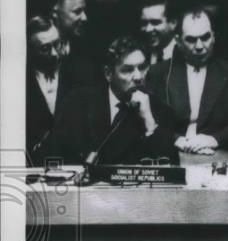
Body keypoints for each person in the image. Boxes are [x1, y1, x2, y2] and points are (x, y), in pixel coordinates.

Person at [146, 8, 228, 156]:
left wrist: (214, 139)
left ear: (214, 37)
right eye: (191, 40)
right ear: (178, 41)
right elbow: (147, 119)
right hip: (170, 154)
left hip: (216, 155)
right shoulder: (158, 73)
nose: (199, 46)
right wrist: (174, 139)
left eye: (205, 37)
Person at [49, 36, 176, 165]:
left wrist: (149, 122)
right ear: (108, 73)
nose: (138, 77)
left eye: (142, 67)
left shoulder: (160, 110)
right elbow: (58, 154)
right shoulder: (77, 103)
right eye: (127, 70)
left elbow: (170, 165)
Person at [25, 16, 92, 165]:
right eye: (45, 48)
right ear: (30, 50)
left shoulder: (82, 74)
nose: (55, 53)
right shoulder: (20, 81)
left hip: (75, 166)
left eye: (57, 44)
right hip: (34, 167)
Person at [139, 0, 177, 65]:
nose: (148, 29)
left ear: (173, 23)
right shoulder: (139, 55)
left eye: (155, 22)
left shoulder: (185, 54)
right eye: (144, 23)